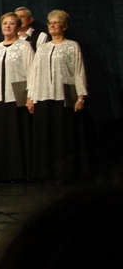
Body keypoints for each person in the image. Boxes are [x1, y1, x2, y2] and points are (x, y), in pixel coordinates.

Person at [27, 10, 89, 183]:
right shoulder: (42, 48)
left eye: (56, 22)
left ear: (65, 26)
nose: (52, 25)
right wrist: (31, 96)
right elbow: (34, 73)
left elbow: (78, 71)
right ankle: (45, 174)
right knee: (45, 136)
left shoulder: (72, 46)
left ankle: (64, 174)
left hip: (63, 97)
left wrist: (80, 97)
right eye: (50, 23)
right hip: (43, 96)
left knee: (62, 136)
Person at [0, 12, 34, 182]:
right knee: (0, 136)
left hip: (17, 98)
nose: (7, 26)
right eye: (4, 23)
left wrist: (30, 96)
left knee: (16, 135)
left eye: (11, 23)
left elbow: (31, 72)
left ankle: (17, 173)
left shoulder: (24, 47)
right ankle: (0, 173)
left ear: (18, 27)